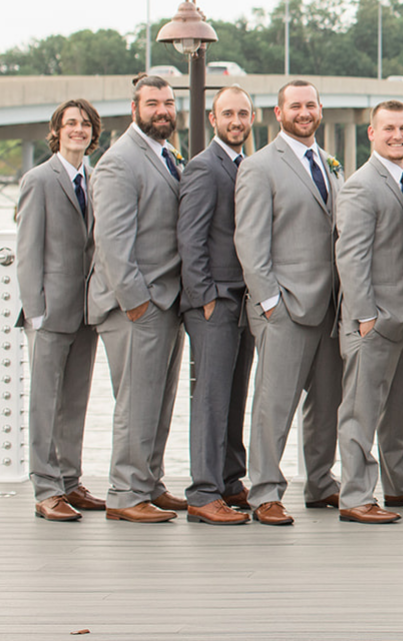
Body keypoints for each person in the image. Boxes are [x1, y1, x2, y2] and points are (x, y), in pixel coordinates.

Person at [234, 79, 343, 525]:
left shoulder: (330, 164)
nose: (304, 112)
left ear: (320, 111)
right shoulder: (260, 167)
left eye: (311, 105)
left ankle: (320, 483)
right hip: (285, 307)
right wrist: (269, 303)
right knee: (274, 403)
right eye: (295, 105)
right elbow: (250, 240)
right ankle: (264, 491)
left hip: (331, 305)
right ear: (278, 113)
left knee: (327, 402)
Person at [334, 100, 403, 524]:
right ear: (371, 134)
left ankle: (399, 483)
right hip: (373, 319)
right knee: (360, 412)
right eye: (389, 128)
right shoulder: (362, 185)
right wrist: (364, 316)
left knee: (400, 409)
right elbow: (351, 255)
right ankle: (356, 495)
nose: (398, 135)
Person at [88, 75, 189, 522]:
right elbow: (111, 241)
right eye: (153, 104)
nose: (163, 110)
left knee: (158, 401)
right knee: (135, 403)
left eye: (168, 103)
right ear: (135, 109)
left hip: (164, 301)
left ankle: (149, 481)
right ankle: (125, 494)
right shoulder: (119, 162)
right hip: (135, 306)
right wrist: (136, 302)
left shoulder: (164, 154)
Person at [18, 98, 104, 521]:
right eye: (71, 123)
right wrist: (36, 312)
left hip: (86, 313)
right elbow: (27, 250)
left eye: (85, 124)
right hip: (50, 312)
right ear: (57, 130)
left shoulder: (93, 178)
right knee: (44, 403)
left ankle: (70, 481)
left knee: (75, 402)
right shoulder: (39, 179)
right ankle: (46, 488)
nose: (79, 130)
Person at [176, 85, 256, 525]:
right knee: (210, 397)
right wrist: (204, 296)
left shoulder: (246, 165)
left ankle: (228, 479)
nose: (236, 121)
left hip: (243, 301)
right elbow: (190, 237)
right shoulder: (205, 168)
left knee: (234, 395)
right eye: (228, 114)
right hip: (214, 301)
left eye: (243, 114)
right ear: (213, 118)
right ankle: (202, 492)